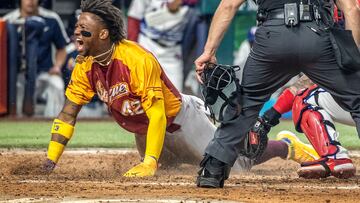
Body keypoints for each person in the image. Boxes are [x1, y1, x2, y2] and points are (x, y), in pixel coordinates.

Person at [39, 0, 230, 178]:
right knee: (167, 172)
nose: (77, 33)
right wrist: (50, 161)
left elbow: (158, 115)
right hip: (147, 132)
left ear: (103, 34)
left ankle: (255, 130)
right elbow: (67, 115)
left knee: (234, 166)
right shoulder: (85, 65)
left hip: (183, 123)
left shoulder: (136, 59)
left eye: (84, 29)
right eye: (76, 28)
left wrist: (149, 162)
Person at [195, 0, 360, 188]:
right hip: (317, 35)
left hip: (272, 37)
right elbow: (351, 9)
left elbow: (228, 6)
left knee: (245, 103)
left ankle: (213, 169)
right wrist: (351, 57)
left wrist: (209, 51)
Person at [2, 0, 69, 117]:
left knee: (57, 85)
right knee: (16, 107)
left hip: (44, 72)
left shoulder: (51, 18)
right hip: (17, 76)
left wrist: (57, 66)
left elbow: (61, 48)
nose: (30, 1)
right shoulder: (8, 20)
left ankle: (56, 124)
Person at [127, 0, 196, 92]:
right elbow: (134, 19)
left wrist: (181, 1)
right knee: (143, 92)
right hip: (147, 44)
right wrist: (132, 52)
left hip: (171, 52)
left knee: (176, 96)